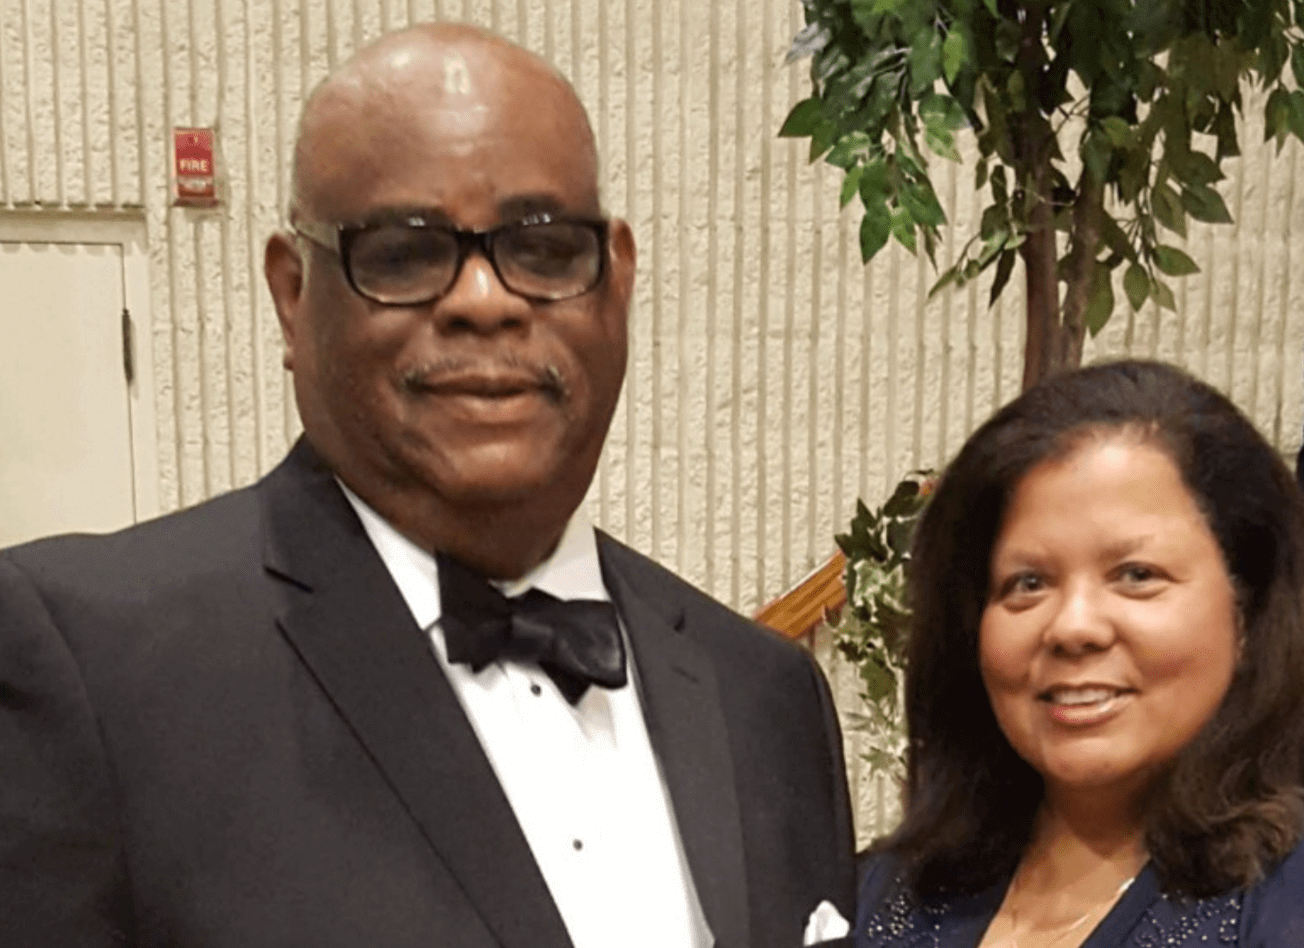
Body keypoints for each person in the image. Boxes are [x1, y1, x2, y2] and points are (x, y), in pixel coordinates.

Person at [0, 23, 855, 948]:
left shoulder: (767, 698)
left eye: (543, 246)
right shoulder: (95, 669)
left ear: (617, 280)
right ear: (293, 295)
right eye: (403, 254)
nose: (485, 300)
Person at [856, 359, 1304, 947]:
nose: (1072, 627)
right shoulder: (896, 889)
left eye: (1136, 574)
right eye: (1027, 583)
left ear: (1249, 610)